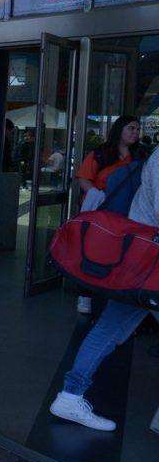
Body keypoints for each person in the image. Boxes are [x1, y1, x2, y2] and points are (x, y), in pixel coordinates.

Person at [50, 145, 159, 432]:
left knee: (108, 329)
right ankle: (70, 395)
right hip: (149, 266)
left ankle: (70, 395)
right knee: (107, 330)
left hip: (145, 266)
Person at [74, 115, 145, 313]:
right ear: (119, 129)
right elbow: (84, 179)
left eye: (138, 129)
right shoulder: (102, 153)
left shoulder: (140, 154)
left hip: (127, 215)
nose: (135, 132)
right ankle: (85, 294)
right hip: (102, 213)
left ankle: (115, 295)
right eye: (131, 128)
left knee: (121, 256)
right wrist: (97, 196)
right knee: (92, 254)